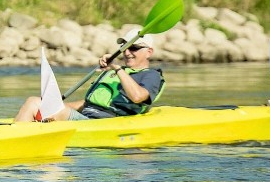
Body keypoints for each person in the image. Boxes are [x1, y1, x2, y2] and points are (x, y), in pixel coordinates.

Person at [14, 28, 165, 122]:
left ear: (149, 52)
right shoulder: (113, 72)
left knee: (38, 105)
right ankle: (16, 134)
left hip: (106, 123)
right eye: (124, 47)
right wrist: (57, 105)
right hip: (87, 117)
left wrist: (117, 69)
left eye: (134, 48)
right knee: (35, 102)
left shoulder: (151, 76)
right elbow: (89, 103)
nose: (127, 52)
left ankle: (16, 140)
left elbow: (138, 97)